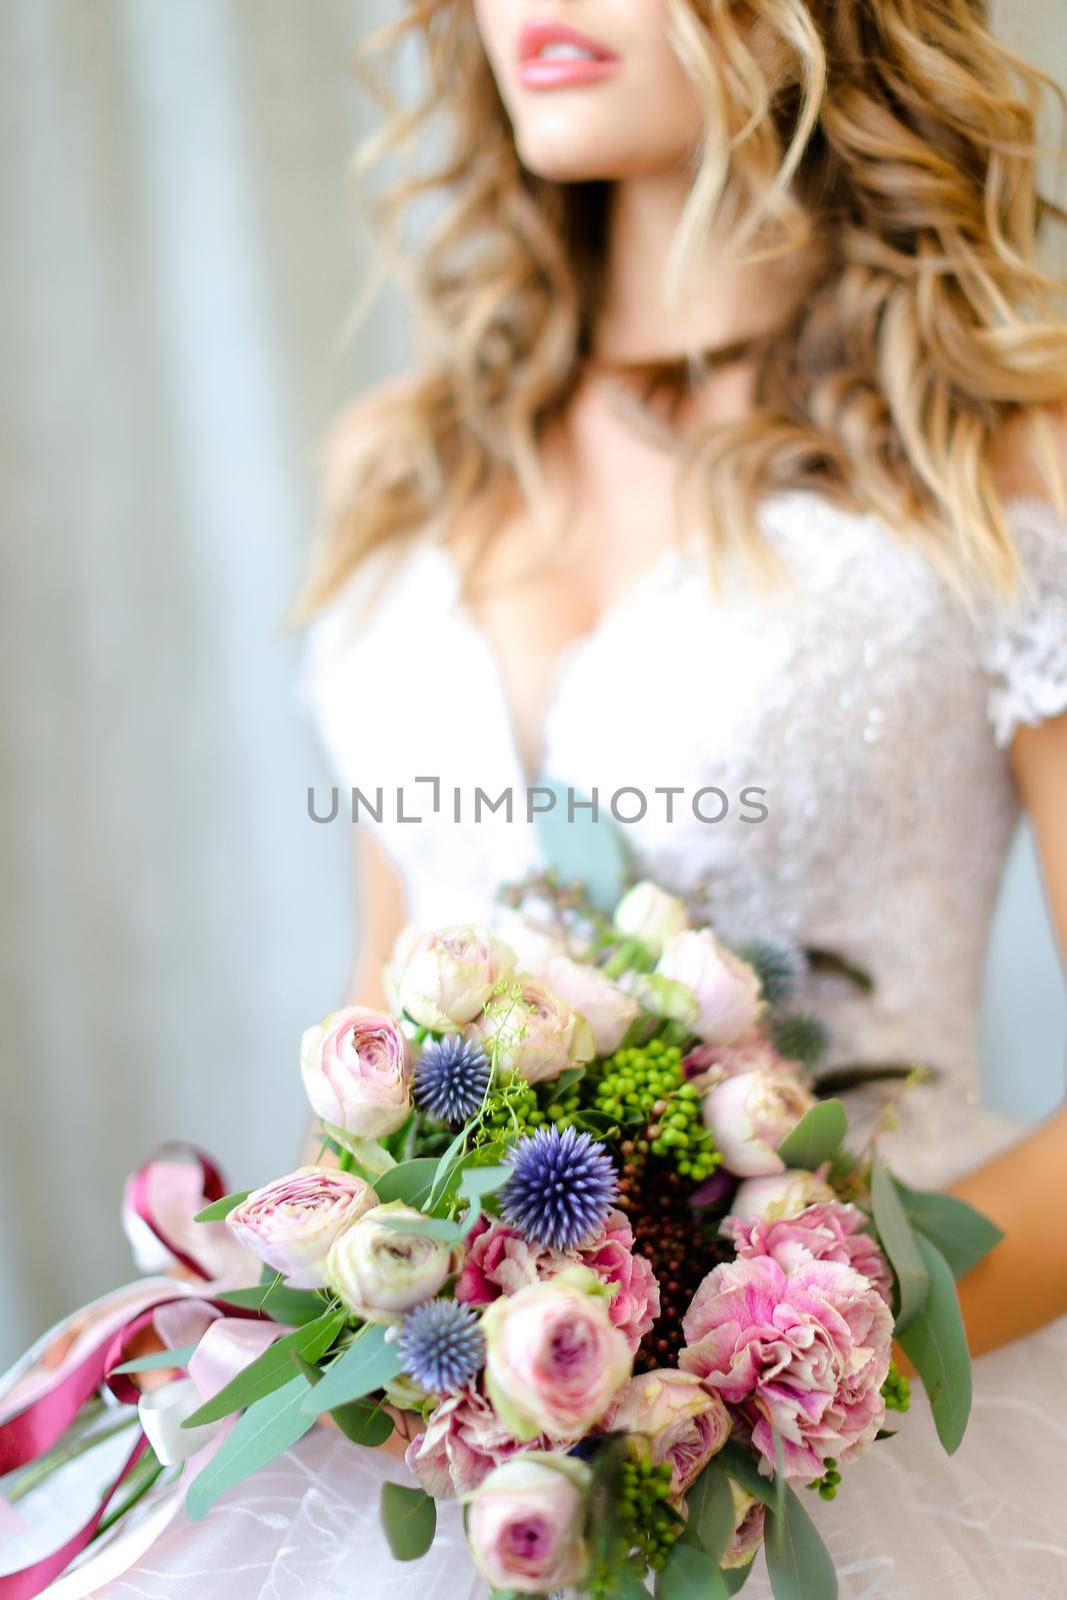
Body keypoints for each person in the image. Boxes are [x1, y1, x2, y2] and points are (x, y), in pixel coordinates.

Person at [99, 1, 1067, 1595]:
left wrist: (780, 1372)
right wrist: (367, 1316)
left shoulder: (998, 447)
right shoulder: (403, 465)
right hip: (456, 1452)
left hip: (862, 1449)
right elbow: (381, 1021)